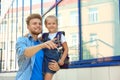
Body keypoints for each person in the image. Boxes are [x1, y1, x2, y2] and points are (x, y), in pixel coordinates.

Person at [15, 13, 60, 80]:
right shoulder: (22, 40)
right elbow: (25, 52)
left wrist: (56, 67)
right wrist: (42, 45)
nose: (38, 25)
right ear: (28, 26)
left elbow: (48, 61)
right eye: (34, 23)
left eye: (40, 24)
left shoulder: (43, 43)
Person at [41, 15, 68, 80]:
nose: (51, 25)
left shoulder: (60, 35)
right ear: (46, 25)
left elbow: (66, 49)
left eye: (53, 23)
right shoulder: (44, 35)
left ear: (57, 24)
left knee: (47, 78)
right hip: (44, 60)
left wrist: (62, 60)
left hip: (52, 61)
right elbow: (36, 41)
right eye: (49, 24)